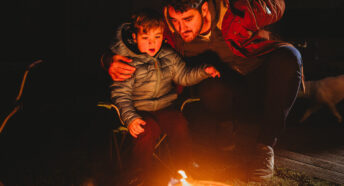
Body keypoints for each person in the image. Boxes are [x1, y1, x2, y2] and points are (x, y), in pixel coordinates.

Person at [102, 0, 303, 182]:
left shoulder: (232, 12)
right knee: (210, 85)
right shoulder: (168, 28)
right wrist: (109, 60)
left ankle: (264, 146)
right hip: (222, 89)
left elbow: (278, 6)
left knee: (289, 56)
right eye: (175, 20)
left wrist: (246, 8)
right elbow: (133, 35)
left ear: (204, 8)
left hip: (257, 81)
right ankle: (225, 126)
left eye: (188, 19)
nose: (181, 28)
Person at [109, 9, 220, 185]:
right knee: (147, 131)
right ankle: (138, 173)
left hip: (165, 107)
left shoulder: (169, 56)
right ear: (134, 38)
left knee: (179, 123)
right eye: (146, 39)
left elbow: (184, 75)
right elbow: (120, 95)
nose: (152, 43)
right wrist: (131, 119)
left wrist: (203, 71)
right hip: (140, 110)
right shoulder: (128, 62)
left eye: (157, 37)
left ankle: (184, 167)